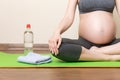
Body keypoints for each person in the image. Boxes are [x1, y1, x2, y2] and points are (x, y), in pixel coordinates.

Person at [48, 0, 120, 62]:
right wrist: (57, 32)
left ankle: (96, 52)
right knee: (56, 47)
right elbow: (68, 17)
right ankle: (110, 57)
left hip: (111, 45)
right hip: (85, 44)